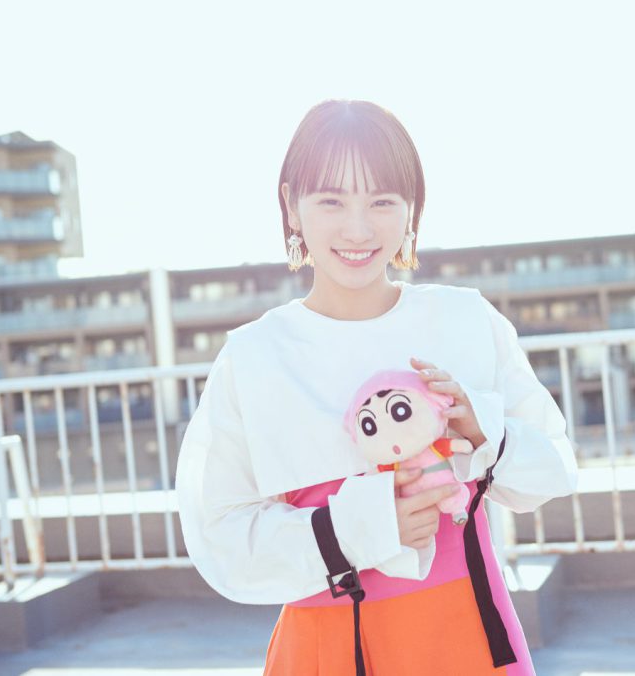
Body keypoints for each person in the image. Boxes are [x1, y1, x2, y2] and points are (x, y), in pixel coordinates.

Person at [175, 99, 579, 675]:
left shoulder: (465, 320)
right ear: (291, 206)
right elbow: (221, 539)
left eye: (383, 201)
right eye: (331, 200)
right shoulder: (255, 356)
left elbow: (553, 470)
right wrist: (357, 528)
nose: (358, 229)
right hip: (330, 646)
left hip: (466, 633)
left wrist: (482, 430)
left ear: (413, 209)